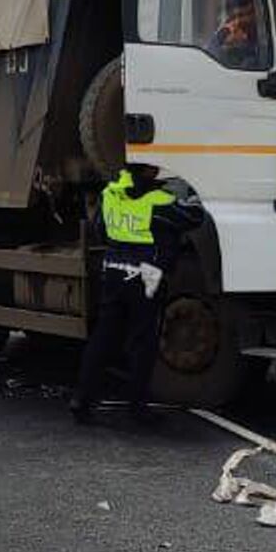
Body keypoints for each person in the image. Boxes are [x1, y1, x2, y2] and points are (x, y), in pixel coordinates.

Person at [70, 162, 205, 425]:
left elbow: (100, 230)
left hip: (113, 272)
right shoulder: (158, 201)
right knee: (142, 342)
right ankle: (137, 408)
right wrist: (191, 191)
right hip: (145, 277)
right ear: (148, 172)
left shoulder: (111, 193)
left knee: (103, 337)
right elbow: (194, 217)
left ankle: (81, 400)